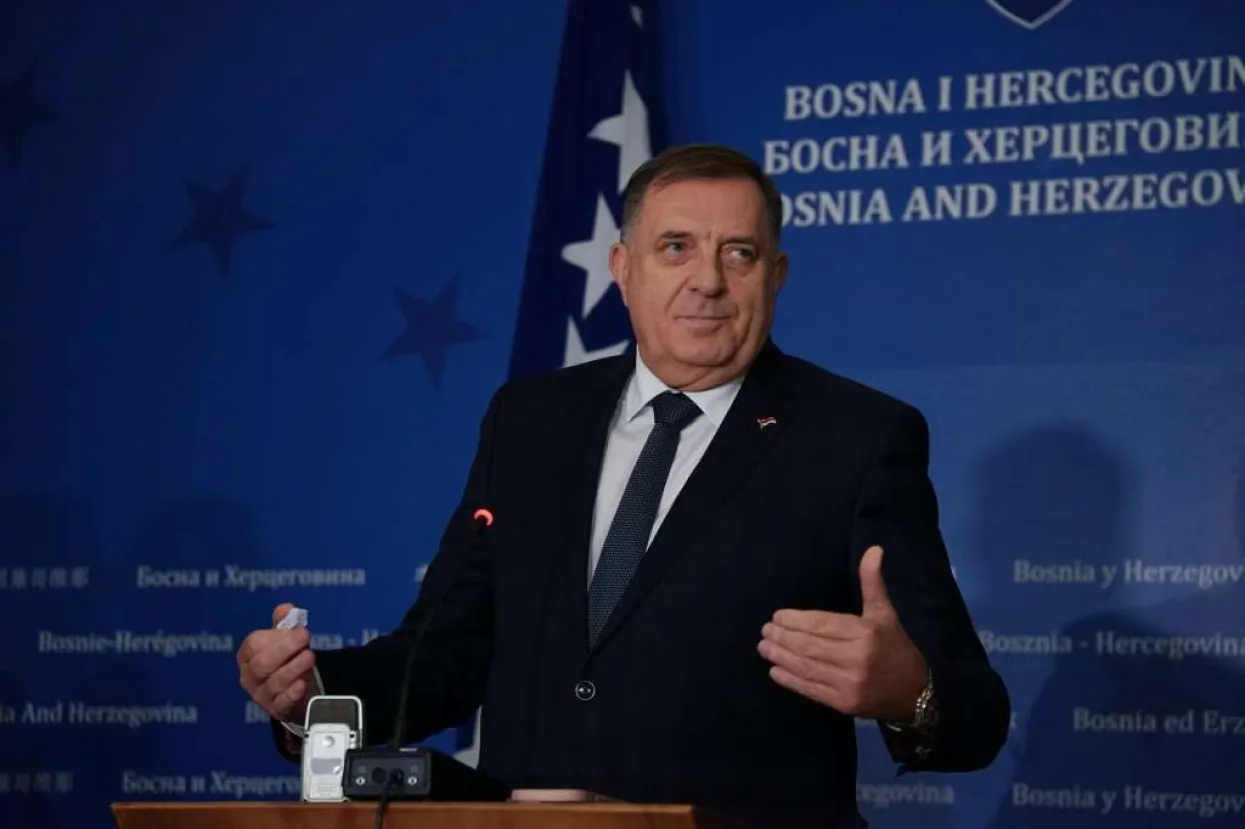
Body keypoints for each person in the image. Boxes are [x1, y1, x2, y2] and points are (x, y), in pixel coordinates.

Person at [236, 144, 1009, 825]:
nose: (706, 280)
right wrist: (313, 694)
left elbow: (975, 715)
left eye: (738, 253)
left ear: (774, 276)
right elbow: (444, 656)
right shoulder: (529, 420)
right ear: (622, 268)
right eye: (675, 247)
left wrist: (909, 691)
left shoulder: (856, 436)